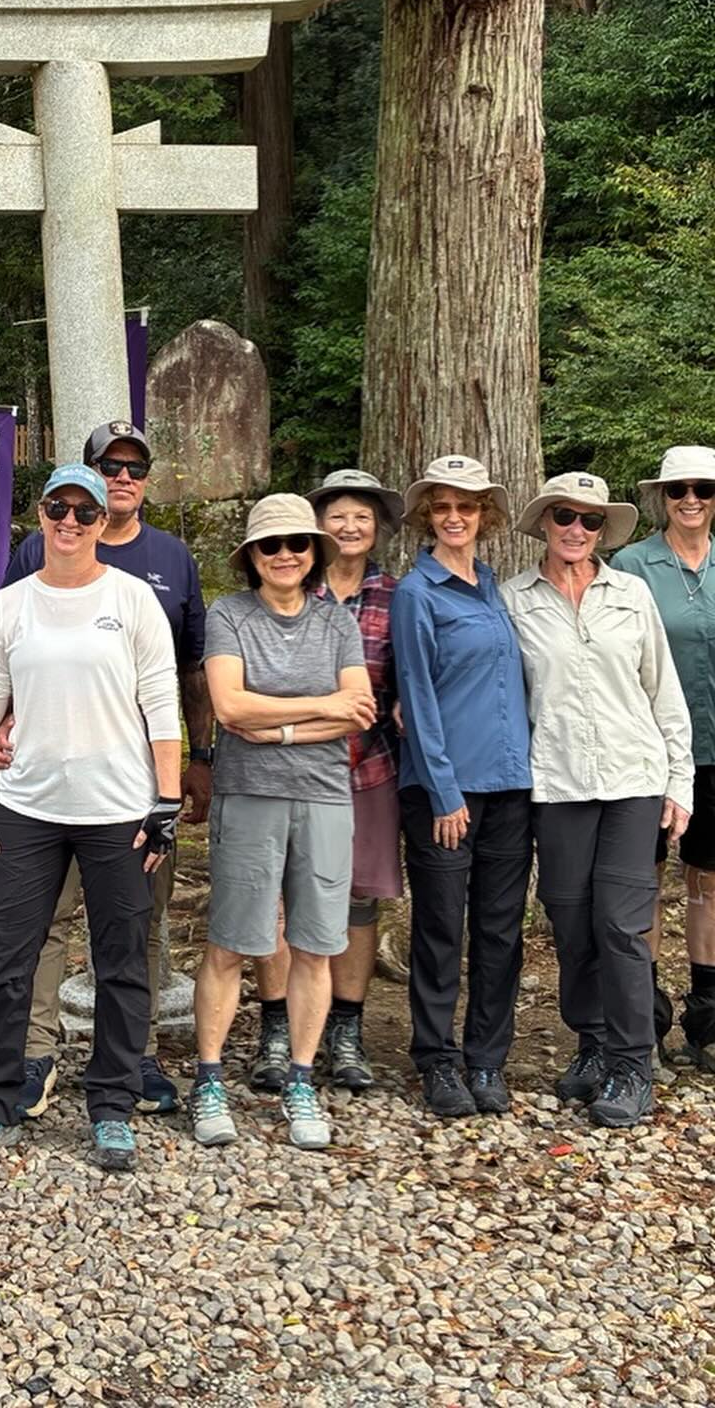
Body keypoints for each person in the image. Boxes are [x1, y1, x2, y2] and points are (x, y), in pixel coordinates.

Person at [0, 463, 180, 1174]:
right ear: (41, 515)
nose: (72, 522)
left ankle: (111, 1103)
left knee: (122, 959)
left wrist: (168, 801)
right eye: (60, 507)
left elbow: (162, 705)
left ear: (105, 522)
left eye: (87, 511)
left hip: (119, 807)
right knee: (3, 956)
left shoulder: (133, 599)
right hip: (27, 807)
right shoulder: (11, 605)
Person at [0, 420, 211, 1117]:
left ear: (146, 481)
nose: (121, 478)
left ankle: (135, 1052)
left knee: (135, 921)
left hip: (137, 777)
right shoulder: (39, 546)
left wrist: (198, 758)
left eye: (134, 468)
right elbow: (6, 647)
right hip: (46, 778)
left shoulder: (171, 558)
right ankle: (34, 1051)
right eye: (109, 466)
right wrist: (0, 723)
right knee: (44, 920)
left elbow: (189, 670)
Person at [503, 472, 692, 1127]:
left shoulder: (631, 594)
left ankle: (633, 1066)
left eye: (589, 520)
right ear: (544, 523)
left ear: (602, 530)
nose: (576, 530)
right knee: (570, 920)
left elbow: (663, 689)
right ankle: (592, 1043)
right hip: (557, 783)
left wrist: (680, 781)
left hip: (633, 780)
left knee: (620, 923)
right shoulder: (514, 600)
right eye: (565, 516)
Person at [195, 495, 373, 1152]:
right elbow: (228, 706)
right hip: (248, 793)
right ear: (252, 556)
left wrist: (281, 726)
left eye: (298, 543)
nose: (285, 555)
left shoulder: (337, 623)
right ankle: (209, 1078)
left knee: (316, 944)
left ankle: (301, 1078)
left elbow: (360, 710)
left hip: (325, 796)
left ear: (314, 552)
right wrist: (323, 709)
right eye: (271, 545)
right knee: (230, 942)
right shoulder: (229, 614)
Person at [390, 455, 533, 1119]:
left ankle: (486, 1058)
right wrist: (444, 791)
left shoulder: (493, 587)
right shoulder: (418, 593)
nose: (454, 517)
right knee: (442, 927)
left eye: (466, 507)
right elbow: (416, 695)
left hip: (509, 786)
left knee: (501, 931)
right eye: (442, 507)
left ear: (485, 516)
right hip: (445, 792)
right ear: (428, 516)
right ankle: (436, 1058)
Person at [611, 445, 715, 1068]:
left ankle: (708, 1017)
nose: (691, 500)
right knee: (644, 879)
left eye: (703, 489)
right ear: (661, 497)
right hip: (647, 750)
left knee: (708, 880)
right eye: (678, 490)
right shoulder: (632, 565)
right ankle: (644, 1016)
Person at [306, 468, 407, 1090]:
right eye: (337, 515)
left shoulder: (397, 596)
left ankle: (346, 1029)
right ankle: (288, 1026)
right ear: (319, 525)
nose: (349, 526)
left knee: (358, 900)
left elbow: (409, 676)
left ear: (377, 528)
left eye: (361, 517)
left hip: (369, 768)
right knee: (290, 897)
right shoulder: (293, 584)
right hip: (291, 767)